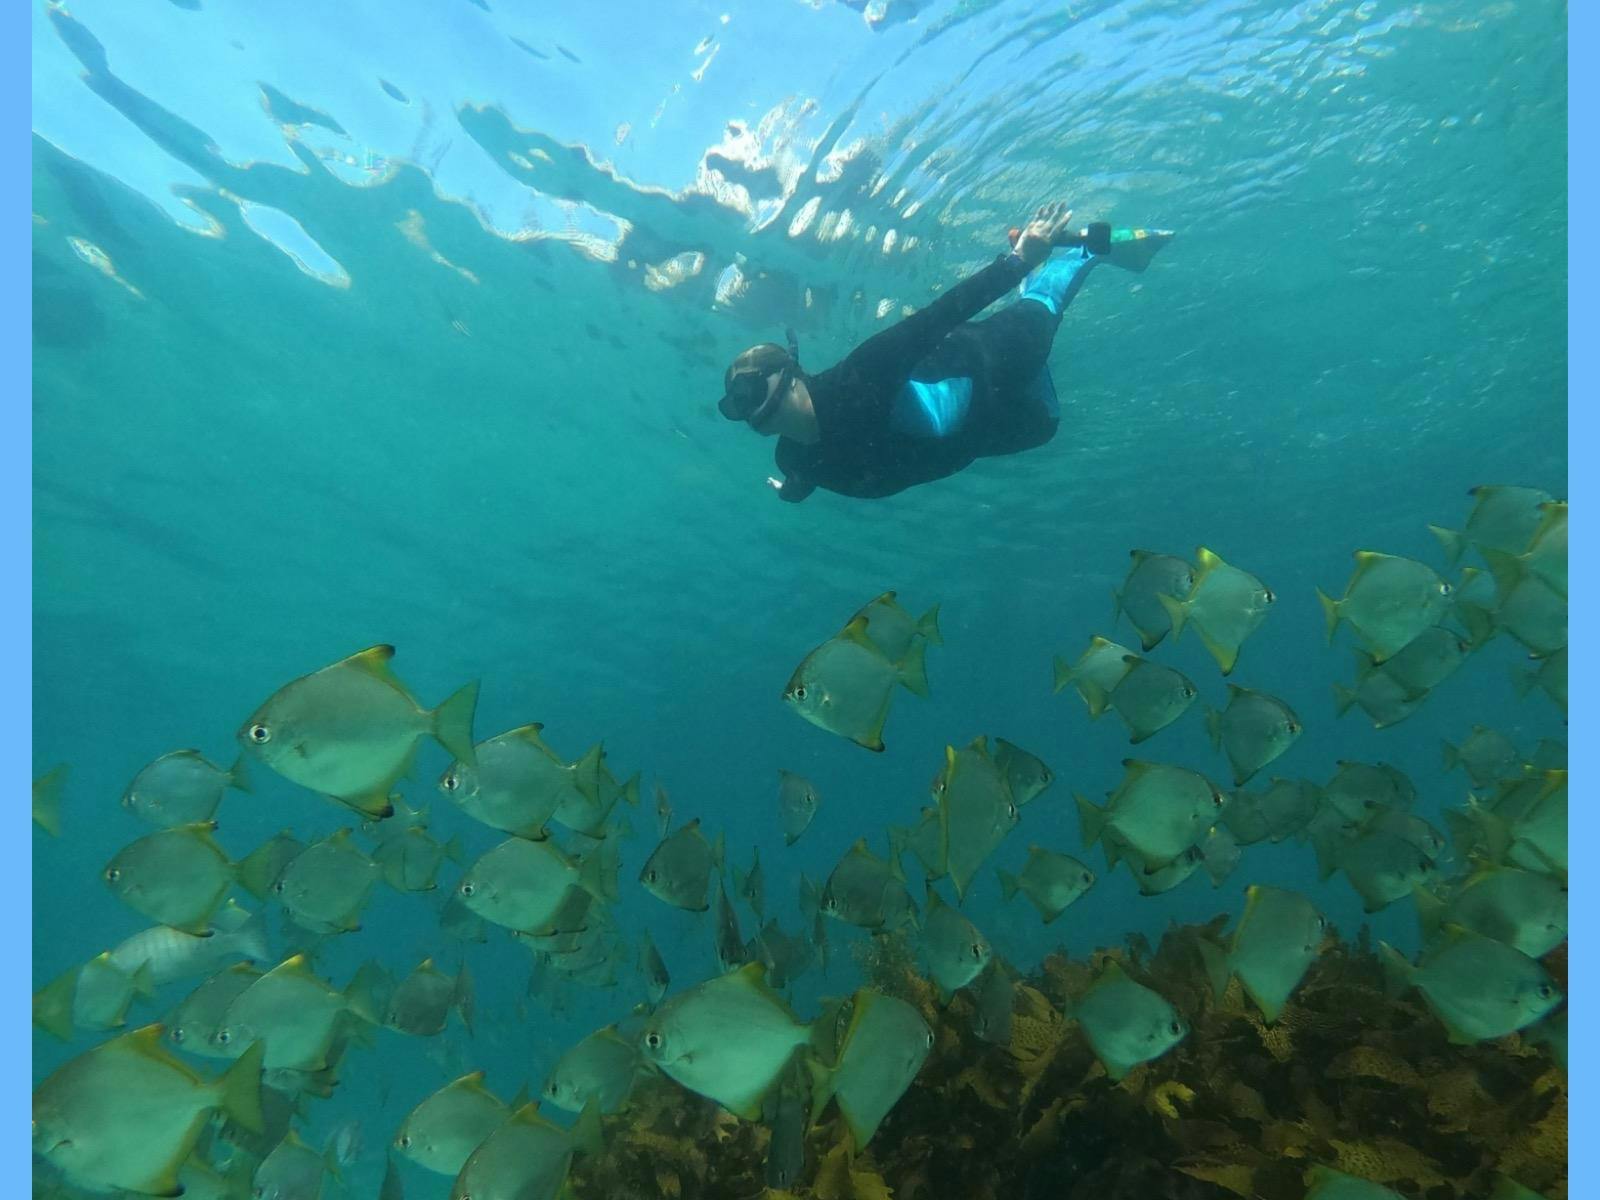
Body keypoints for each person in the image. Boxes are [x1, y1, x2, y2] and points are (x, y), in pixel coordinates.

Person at [717, 202, 1170, 502]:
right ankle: (1034, 286)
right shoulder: (793, 459)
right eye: (734, 405)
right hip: (983, 432)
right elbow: (802, 481)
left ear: (790, 372)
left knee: (1041, 311)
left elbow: (938, 316)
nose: (745, 408)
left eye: (748, 389)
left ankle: (1079, 257)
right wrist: (791, 491)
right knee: (1047, 427)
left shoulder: (859, 377)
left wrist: (1019, 261)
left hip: (991, 358)